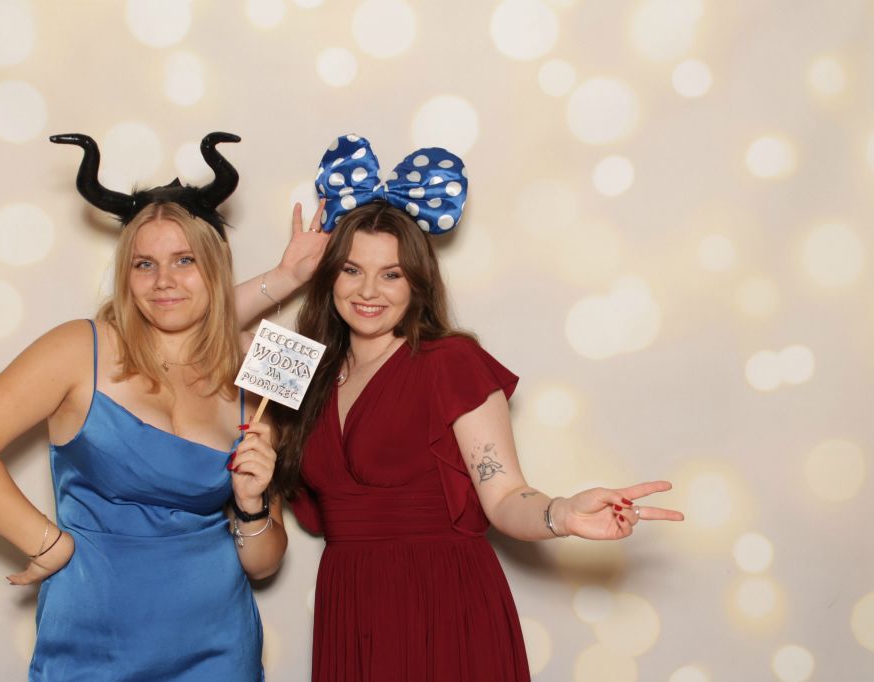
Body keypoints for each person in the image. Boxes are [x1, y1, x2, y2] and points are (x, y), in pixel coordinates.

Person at [269, 134, 685, 681]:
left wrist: (560, 514)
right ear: (329, 277)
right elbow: (196, 342)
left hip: (442, 603)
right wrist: (286, 277)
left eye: (392, 274)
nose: (369, 290)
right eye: (351, 269)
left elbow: (505, 494)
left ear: (418, 283)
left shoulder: (450, 362)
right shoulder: (300, 368)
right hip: (350, 605)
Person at [0, 132, 290, 681]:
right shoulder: (79, 349)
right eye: (144, 264)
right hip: (91, 647)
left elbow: (263, 566)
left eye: (185, 260)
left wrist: (252, 504)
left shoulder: (253, 371)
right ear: (126, 273)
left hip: (218, 649)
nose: (164, 281)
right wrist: (47, 543)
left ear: (216, 267)